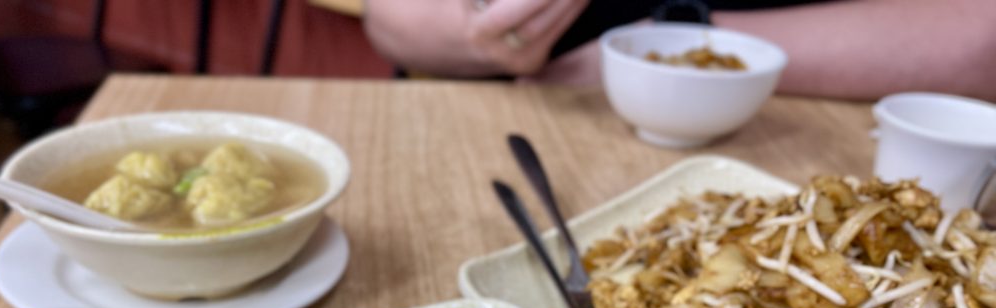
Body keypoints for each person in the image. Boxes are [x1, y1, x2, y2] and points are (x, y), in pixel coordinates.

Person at [362, 0, 996, 102]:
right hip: (512, 108)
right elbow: (393, 19)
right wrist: (469, 29)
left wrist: (673, 49)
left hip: (813, 107)